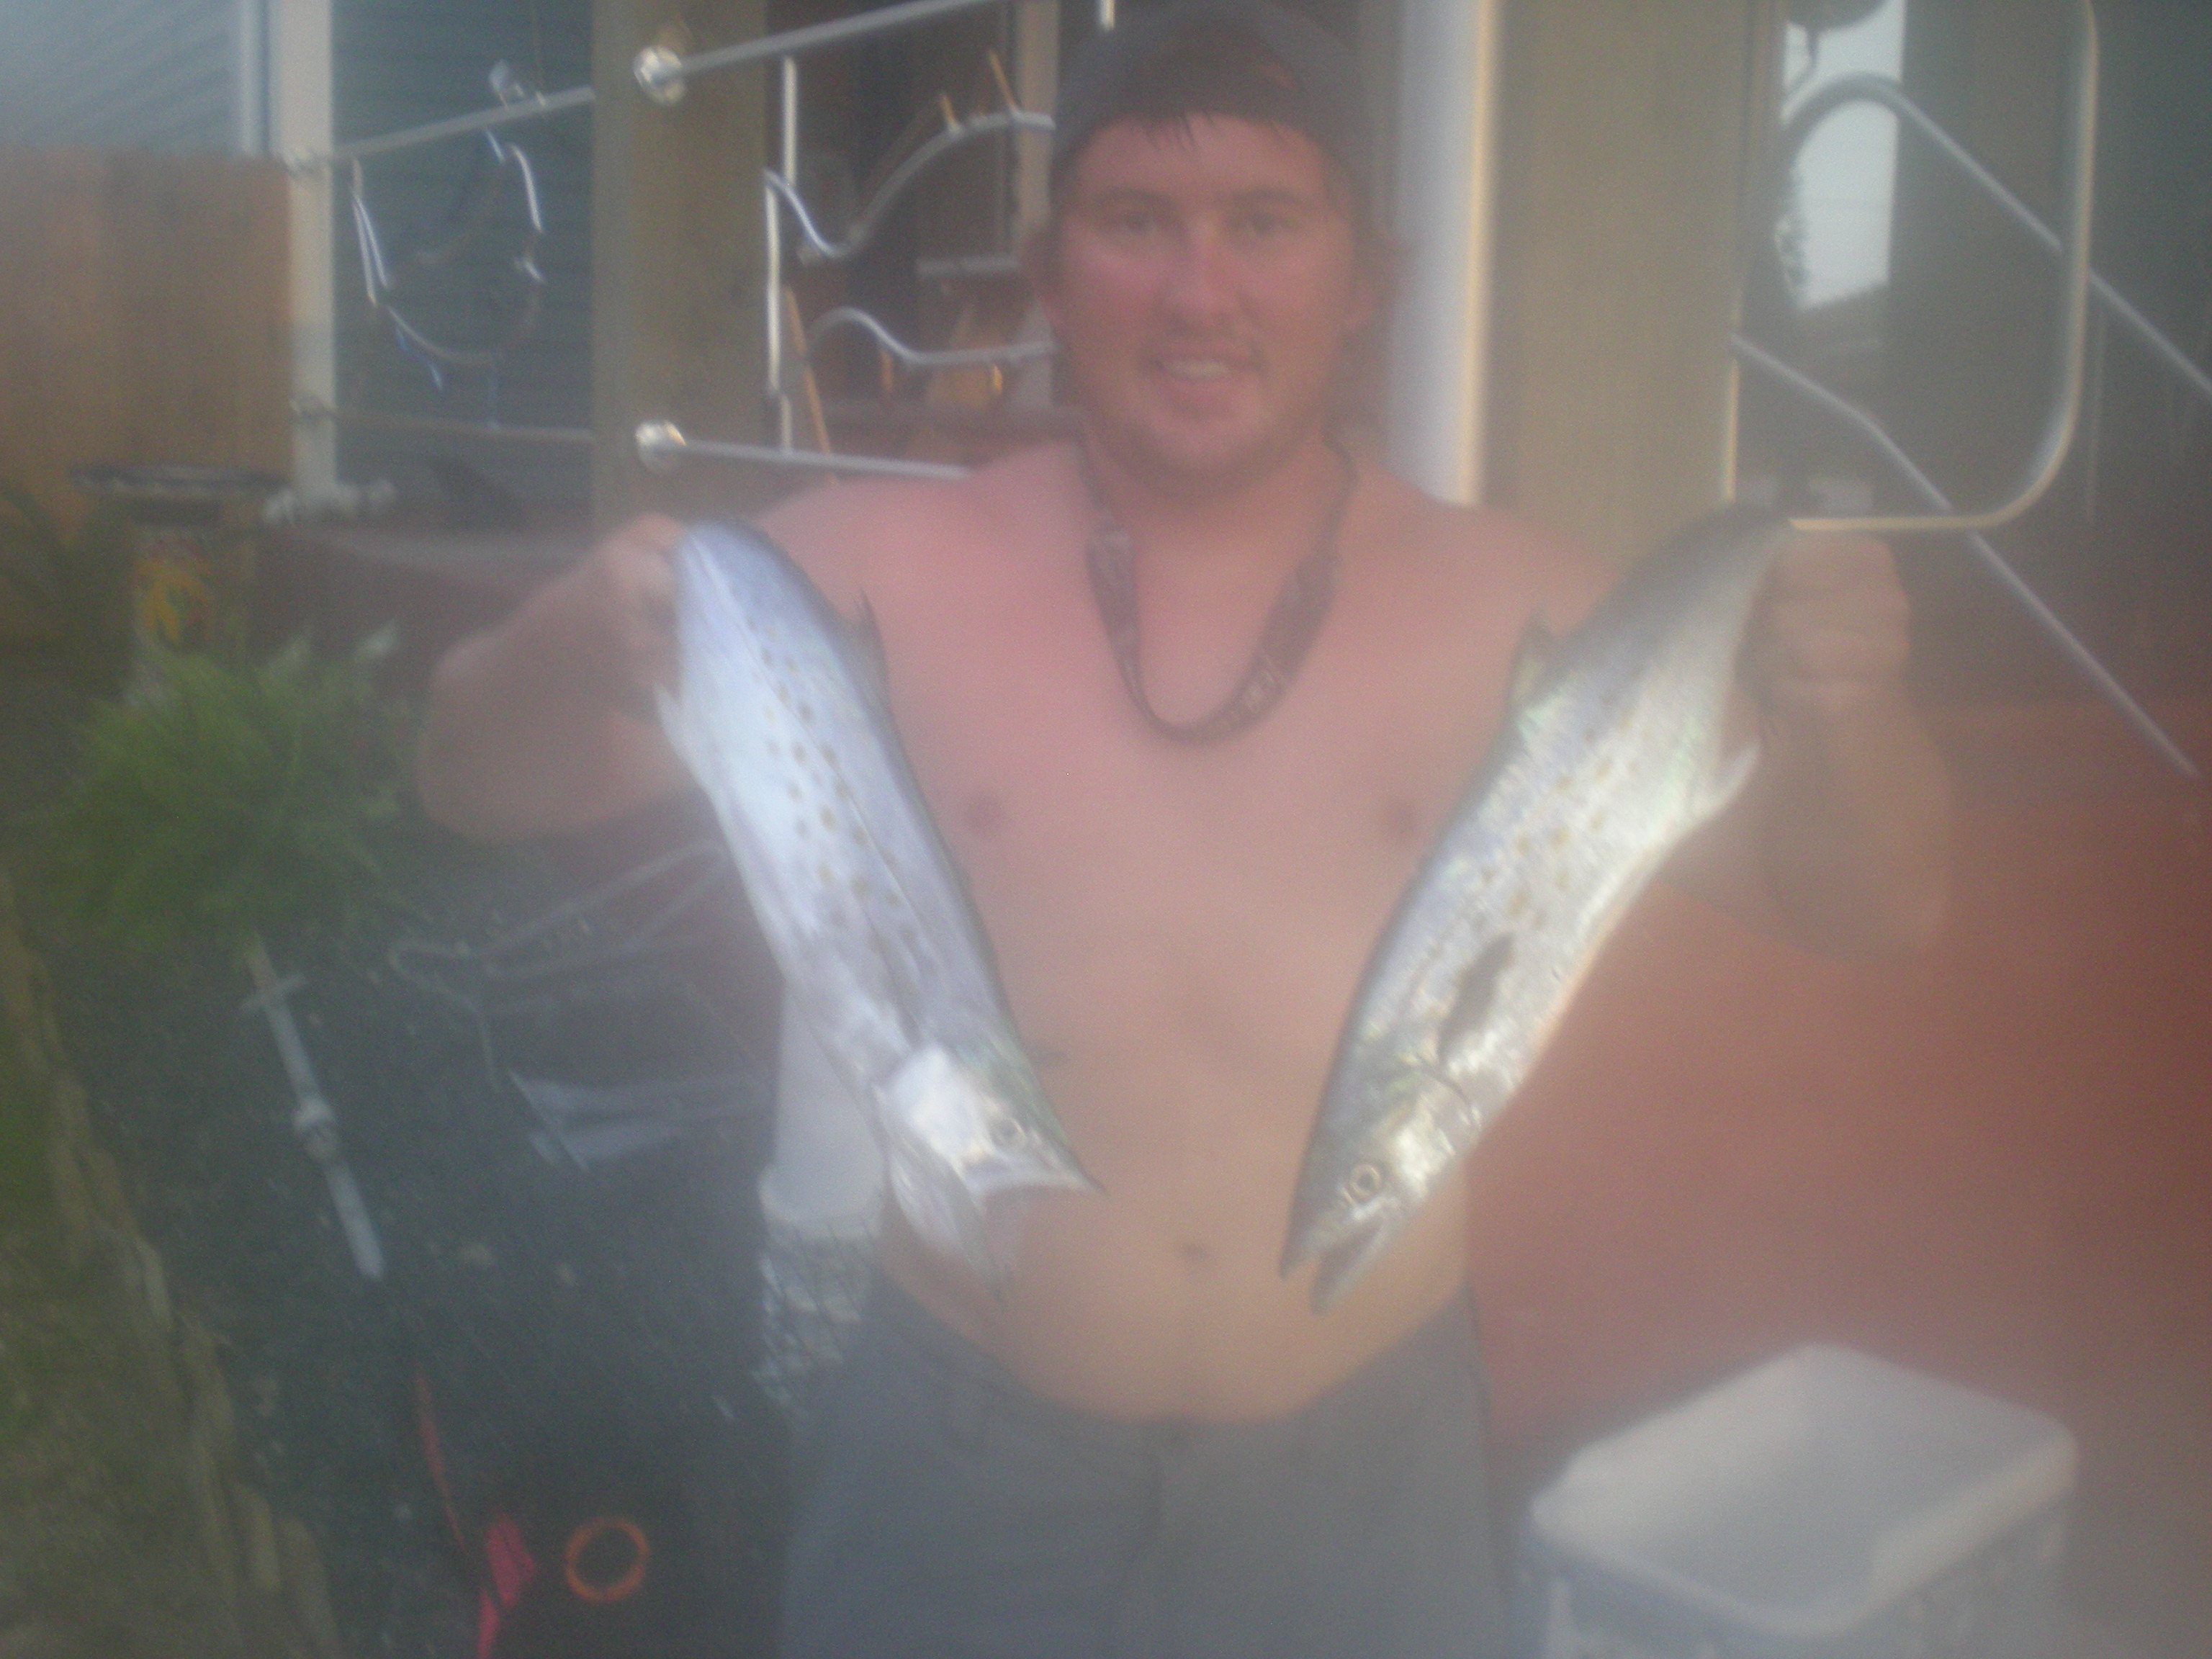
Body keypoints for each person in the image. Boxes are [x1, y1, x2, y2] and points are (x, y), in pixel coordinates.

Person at [415, 4, 1951, 1654]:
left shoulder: (1533, 611)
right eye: (1136, 221)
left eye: (1266, 223)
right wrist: (567, 638)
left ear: (1366, 281)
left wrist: (1847, 706)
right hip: (961, 1462)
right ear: (1050, 272)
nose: (1199, 292)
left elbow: (1868, 905)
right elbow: (471, 779)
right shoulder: (863, 569)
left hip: (1366, 1474)